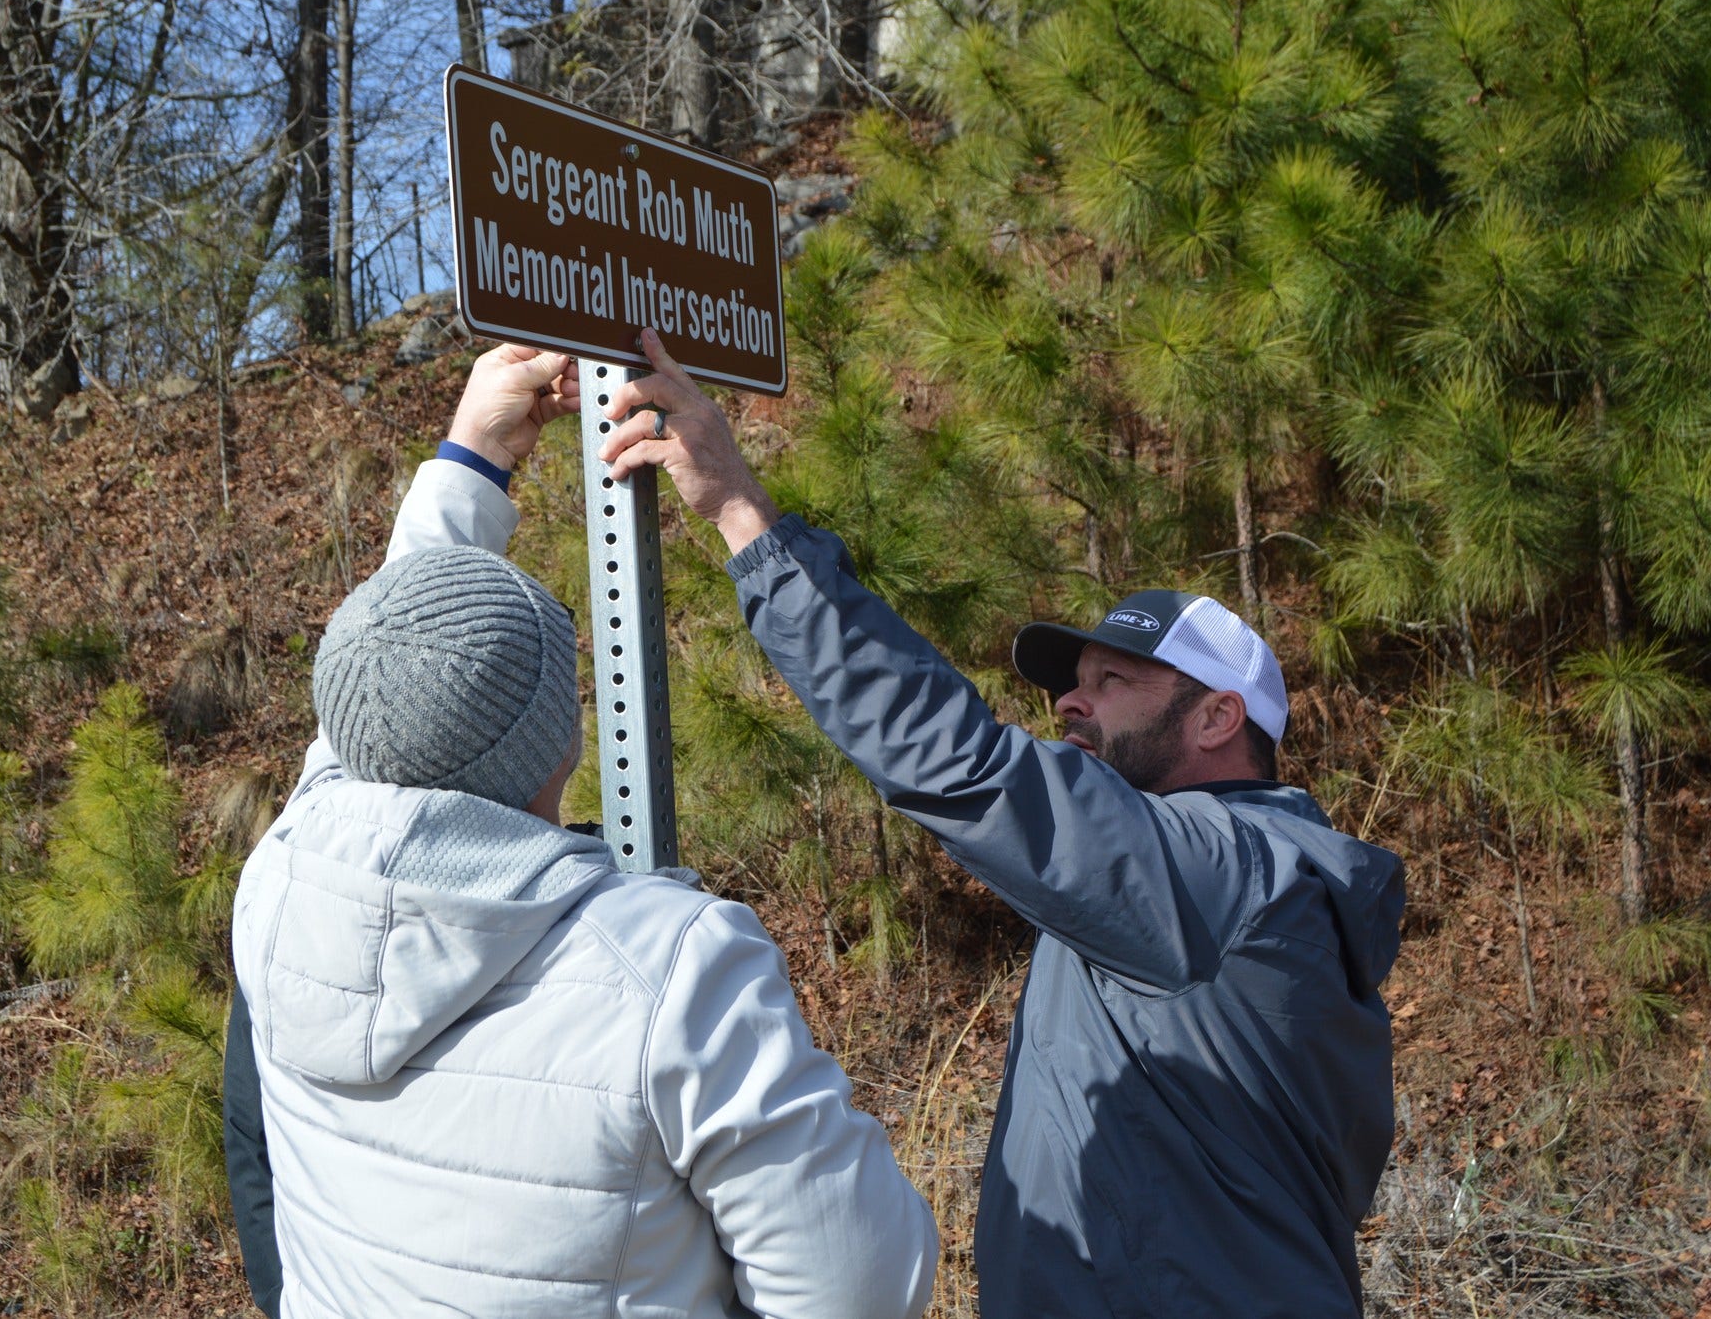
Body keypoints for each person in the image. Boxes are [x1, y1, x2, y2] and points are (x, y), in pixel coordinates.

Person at [594, 328, 1406, 1319]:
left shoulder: (1225, 877)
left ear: (1215, 718)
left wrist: (736, 510)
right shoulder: (1222, 893)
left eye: (1112, 682)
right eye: (1072, 684)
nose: (1069, 702)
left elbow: (959, 763)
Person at [223, 344, 938, 1319]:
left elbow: (390, 682)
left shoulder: (277, 881)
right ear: (560, 742)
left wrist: (473, 451)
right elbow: (860, 1289)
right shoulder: (674, 971)